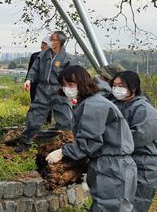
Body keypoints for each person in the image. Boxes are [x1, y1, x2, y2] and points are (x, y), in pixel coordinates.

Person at [46, 65, 137, 211]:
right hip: (109, 165)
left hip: (112, 166)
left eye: (71, 84)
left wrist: (63, 152)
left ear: (83, 83)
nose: (67, 88)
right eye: (64, 85)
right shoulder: (90, 102)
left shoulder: (94, 104)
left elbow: (89, 141)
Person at [110, 71, 157, 212]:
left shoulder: (146, 110)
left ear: (133, 88)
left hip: (143, 167)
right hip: (122, 164)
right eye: (114, 85)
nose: (116, 89)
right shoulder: (114, 105)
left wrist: (106, 140)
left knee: (136, 205)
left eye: (121, 85)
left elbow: (135, 138)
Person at [15, 31, 74, 151]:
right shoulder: (43, 55)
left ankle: (67, 144)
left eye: (52, 39)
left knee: (66, 119)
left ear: (59, 42)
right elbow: (34, 69)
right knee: (34, 116)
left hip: (59, 91)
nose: (50, 41)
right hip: (43, 89)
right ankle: (26, 142)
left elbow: (72, 76)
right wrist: (29, 80)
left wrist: (71, 90)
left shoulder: (67, 58)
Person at [27, 34, 51, 103]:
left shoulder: (54, 58)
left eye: (45, 44)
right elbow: (30, 70)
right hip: (35, 85)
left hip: (47, 87)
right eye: (42, 43)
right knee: (34, 104)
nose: (43, 45)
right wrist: (28, 81)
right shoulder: (35, 56)